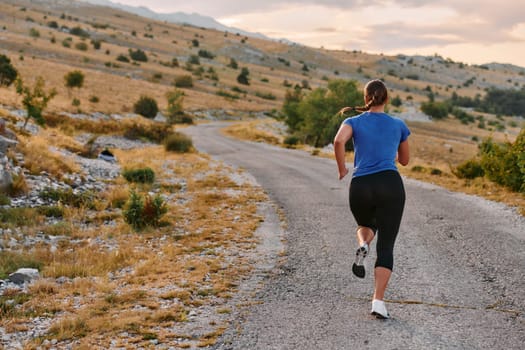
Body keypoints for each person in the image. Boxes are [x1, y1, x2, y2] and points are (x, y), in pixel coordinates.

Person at [333, 79, 410, 319]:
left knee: (366, 225)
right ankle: (378, 301)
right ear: (386, 99)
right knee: (386, 246)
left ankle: (363, 245)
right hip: (390, 183)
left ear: (366, 98)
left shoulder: (352, 121)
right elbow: (405, 160)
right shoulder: (398, 124)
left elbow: (338, 141)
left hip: (361, 185)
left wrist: (342, 169)